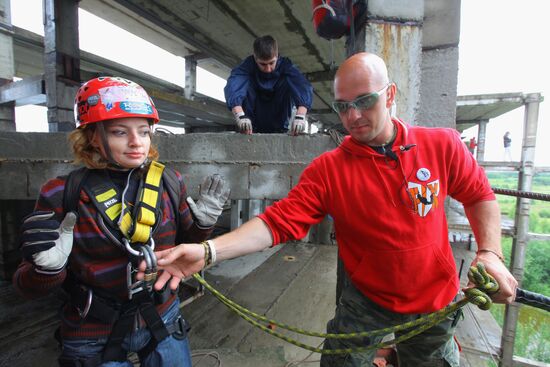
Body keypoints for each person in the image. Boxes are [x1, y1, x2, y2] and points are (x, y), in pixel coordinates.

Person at [139, 53, 518, 366]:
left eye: (364, 101)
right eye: (342, 106)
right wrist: (208, 252)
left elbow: (480, 196)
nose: (352, 116)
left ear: (390, 95)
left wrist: (490, 254)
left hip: (435, 298)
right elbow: (276, 223)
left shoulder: (442, 145)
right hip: (367, 298)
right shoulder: (329, 170)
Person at [12, 77, 230, 367]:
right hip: (93, 330)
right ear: (92, 136)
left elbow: (184, 250)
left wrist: (203, 226)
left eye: (143, 131)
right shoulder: (63, 193)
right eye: (119, 132)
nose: (136, 142)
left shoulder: (168, 181)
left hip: (162, 316)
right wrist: (46, 269)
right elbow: (26, 287)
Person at [224, 35, 313, 135]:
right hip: (251, 126)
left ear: (277, 56)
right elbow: (233, 85)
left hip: (279, 122)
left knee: (290, 80)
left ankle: (282, 126)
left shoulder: (286, 66)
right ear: (255, 57)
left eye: (271, 63)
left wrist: (300, 116)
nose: (268, 69)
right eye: (263, 64)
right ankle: (247, 123)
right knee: (242, 81)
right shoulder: (247, 66)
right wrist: (239, 115)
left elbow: (303, 86)